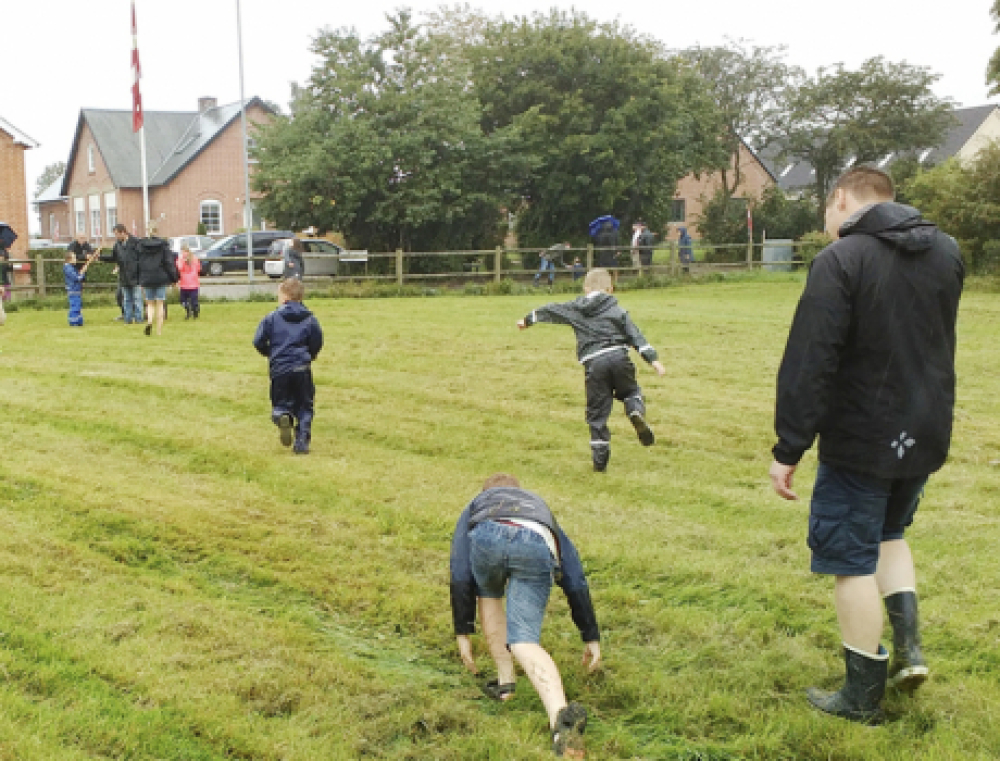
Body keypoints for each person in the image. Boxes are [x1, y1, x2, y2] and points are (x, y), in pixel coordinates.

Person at [769, 166, 964, 724]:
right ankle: (910, 650)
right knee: (890, 533)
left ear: (840, 200)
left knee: (850, 560)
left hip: (861, 438)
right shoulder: (946, 252)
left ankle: (860, 697)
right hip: (923, 431)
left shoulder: (841, 259)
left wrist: (789, 447)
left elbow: (813, 358)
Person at [450, 473, 600, 759]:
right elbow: (574, 576)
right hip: (535, 541)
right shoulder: (539, 507)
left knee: (488, 593)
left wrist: (463, 633)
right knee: (524, 642)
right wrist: (590, 635)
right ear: (520, 492)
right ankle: (560, 718)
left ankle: (506, 683)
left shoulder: (477, 504)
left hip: (487, 536)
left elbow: (460, 572)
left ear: (485, 492)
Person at [517, 268, 666, 472]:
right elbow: (636, 336)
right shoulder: (618, 311)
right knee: (631, 392)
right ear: (610, 289)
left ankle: (599, 463)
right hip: (619, 357)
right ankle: (634, 412)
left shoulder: (576, 308)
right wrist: (654, 360)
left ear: (586, 288)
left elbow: (550, 310)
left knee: (597, 413)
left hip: (594, 363)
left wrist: (527, 320)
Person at [252, 278, 324, 454]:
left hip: (280, 368)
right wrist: (310, 355)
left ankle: (282, 415)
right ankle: (301, 441)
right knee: (305, 405)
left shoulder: (272, 318)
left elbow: (258, 341)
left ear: (284, 296)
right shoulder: (310, 319)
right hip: (302, 367)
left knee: (280, 401)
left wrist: (270, 353)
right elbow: (317, 341)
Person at [136, 235, 180, 336]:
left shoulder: (141, 247)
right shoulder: (163, 247)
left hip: (147, 278)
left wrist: (140, 279)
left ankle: (149, 321)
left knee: (150, 303)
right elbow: (169, 263)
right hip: (160, 277)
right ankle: (159, 331)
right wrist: (174, 278)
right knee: (160, 304)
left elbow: (138, 264)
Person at [106, 224, 144, 324]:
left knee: (137, 299)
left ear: (123, 232)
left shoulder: (136, 242)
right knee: (126, 299)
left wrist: (141, 274)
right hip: (124, 276)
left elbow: (141, 259)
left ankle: (139, 319)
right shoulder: (117, 245)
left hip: (135, 276)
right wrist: (100, 257)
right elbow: (113, 258)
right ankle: (128, 319)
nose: (116, 237)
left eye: (117, 234)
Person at [63, 249, 99, 326]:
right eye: (74, 258)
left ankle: (79, 321)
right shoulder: (68, 268)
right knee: (75, 306)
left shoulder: (71, 267)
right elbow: (76, 278)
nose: (76, 259)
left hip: (76, 289)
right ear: (69, 259)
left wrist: (82, 272)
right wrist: (82, 274)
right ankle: (74, 321)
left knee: (78, 305)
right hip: (73, 290)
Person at [177, 242, 202, 319]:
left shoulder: (181, 260)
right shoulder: (195, 259)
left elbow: (179, 268)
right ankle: (194, 310)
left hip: (185, 283)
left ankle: (189, 309)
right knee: (193, 300)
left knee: (183, 300)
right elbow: (199, 269)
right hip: (193, 283)